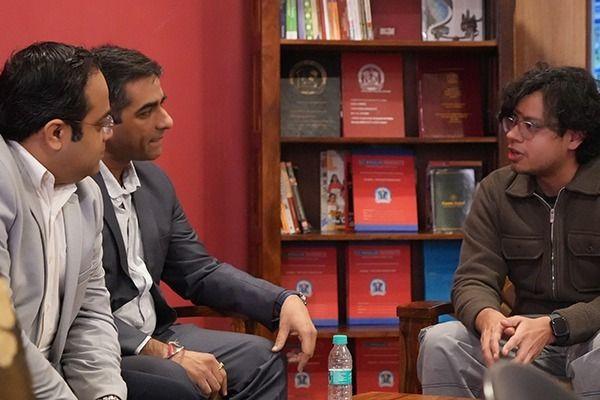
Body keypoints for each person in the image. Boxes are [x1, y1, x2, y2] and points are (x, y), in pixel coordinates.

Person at [91, 44, 317, 399]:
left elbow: (198, 271)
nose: (166, 120)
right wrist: (167, 354)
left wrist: (281, 300)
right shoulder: (75, 191)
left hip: (160, 333)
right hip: (107, 348)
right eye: (147, 111)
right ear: (106, 122)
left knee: (261, 359)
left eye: (162, 104)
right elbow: (79, 313)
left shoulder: (154, 183)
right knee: (177, 381)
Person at [417, 65, 600, 399]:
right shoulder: (497, 190)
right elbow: (472, 278)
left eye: (530, 126)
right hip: (520, 335)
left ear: (574, 137)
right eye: (512, 121)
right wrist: (485, 315)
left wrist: (556, 325)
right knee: (441, 341)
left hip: (590, 337)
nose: (513, 135)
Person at [0, 42, 127, 400]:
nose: (109, 134)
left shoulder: (87, 195)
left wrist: (106, 395)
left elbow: (90, 315)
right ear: (56, 133)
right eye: (102, 123)